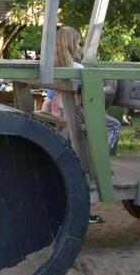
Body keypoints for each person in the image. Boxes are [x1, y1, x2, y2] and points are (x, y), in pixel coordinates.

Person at [46, 26, 121, 224]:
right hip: (78, 112)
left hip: (63, 111)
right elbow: (91, 92)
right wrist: (105, 89)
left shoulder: (55, 64)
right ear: (71, 44)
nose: (79, 45)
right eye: (78, 42)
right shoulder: (77, 68)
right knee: (114, 126)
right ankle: (100, 159)